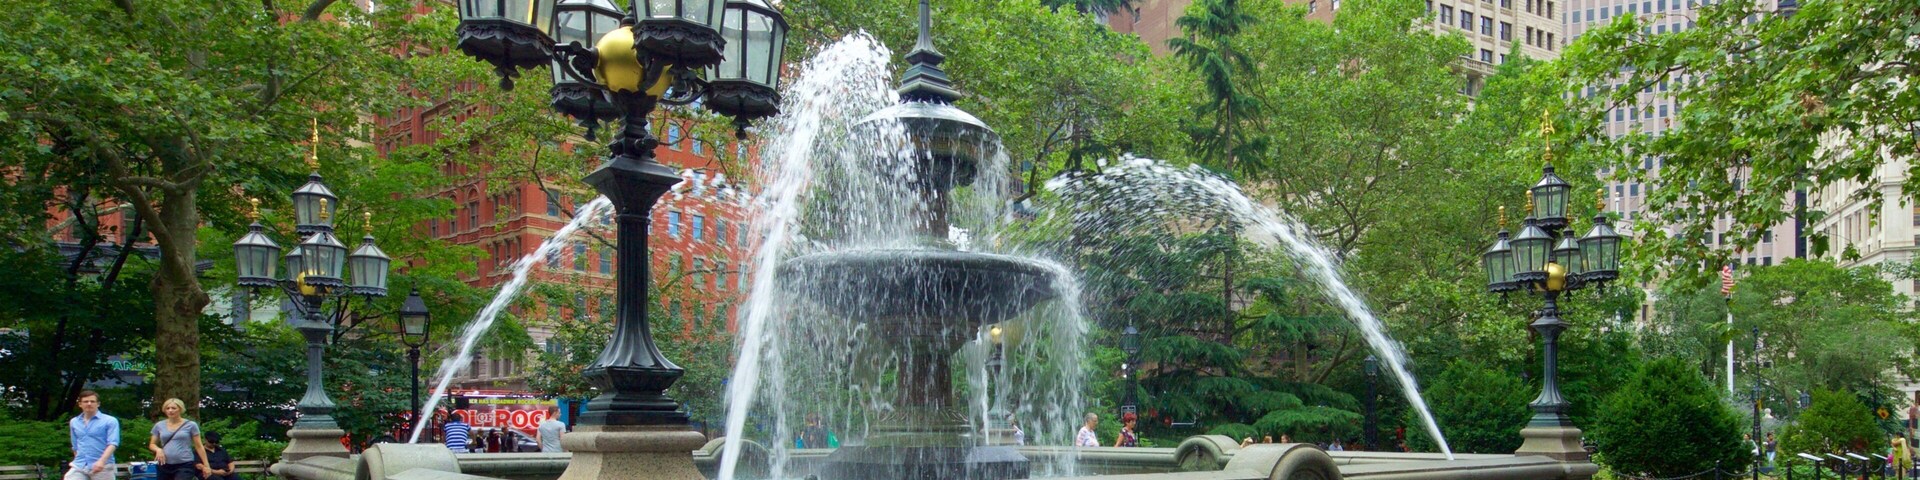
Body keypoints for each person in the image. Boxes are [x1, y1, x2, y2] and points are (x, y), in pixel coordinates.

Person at [146, 398, 209, 480]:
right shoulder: (159, 425)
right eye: (167, 408)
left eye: (173, 408)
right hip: (164, 463)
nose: (170, 411)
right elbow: (152, 444)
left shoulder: (191, 425)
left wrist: (206, 466)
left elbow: (199, 446)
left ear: (180, 409)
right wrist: (158, 450)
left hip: (184, 464)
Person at [68, 390, 120, 480]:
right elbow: (75, 446)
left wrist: (101, 461)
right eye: (85, 401)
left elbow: (113, 443)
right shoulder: (74, 422)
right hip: (80, 465)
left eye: (92, 401)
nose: (89, 404)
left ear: (98, 404)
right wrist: (77, 458)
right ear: (80, 404)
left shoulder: (110, 421)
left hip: (103, 466)